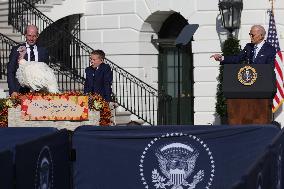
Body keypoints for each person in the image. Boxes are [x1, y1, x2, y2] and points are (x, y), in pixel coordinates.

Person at [7, 24, 49, 98]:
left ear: (37, 36)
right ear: (25, 35)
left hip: (38, 92)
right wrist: (13, 90)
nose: (31, 38)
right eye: (29, 35)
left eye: (34, 36)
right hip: (20, 91)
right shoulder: (16, 50)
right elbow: (11, 71)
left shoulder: (43, 51)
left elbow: (45, 72)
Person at [211, 25, 276, 65]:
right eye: (250, 34)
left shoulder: (270, 49)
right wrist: (221, 58)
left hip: (262, 82)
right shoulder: (249, 47)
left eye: (253, 35)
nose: (250, 37)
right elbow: (237, 58)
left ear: (261, 36)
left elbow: (269, 68)